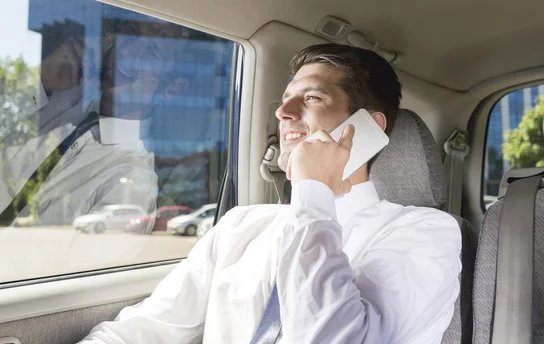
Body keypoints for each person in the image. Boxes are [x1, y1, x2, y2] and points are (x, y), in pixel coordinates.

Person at [79, 44, 462, 344]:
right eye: (285, 100)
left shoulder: (427, 233)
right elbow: (148, 329)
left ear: (366, 128)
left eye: (312, 98)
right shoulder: (241, 225)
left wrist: (314, 193)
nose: (283, 112)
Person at [0, 32, 159, 229]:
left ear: (172, 89)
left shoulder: (133, 181)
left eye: (152, 50)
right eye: (131, 39)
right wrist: (43, 77)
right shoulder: (60, 103)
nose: (129, 51)